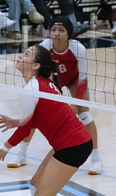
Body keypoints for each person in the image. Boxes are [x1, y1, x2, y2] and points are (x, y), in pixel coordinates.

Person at [0, 43, 91, 196]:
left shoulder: (32, 88)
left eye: (26, 54)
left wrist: (5, 147)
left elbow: (27, 127)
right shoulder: (41, 84)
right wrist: (15, 121)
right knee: (36, 186)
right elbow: (34, 119)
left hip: (73, 145)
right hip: (69, 143)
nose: (20, 55)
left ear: (36, 65)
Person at [6, 17, 103, 175]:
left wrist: (75, 103)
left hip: (75, 82)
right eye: (53, 30)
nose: (56, 34)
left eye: (61, 30)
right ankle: (21, 155)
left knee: (85, 115)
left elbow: (83, 80)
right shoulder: (45, 47)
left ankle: (96, 159)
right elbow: (40, 74)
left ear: (68, 34)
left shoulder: (79, 49)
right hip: (53, 81)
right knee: (33, 114)